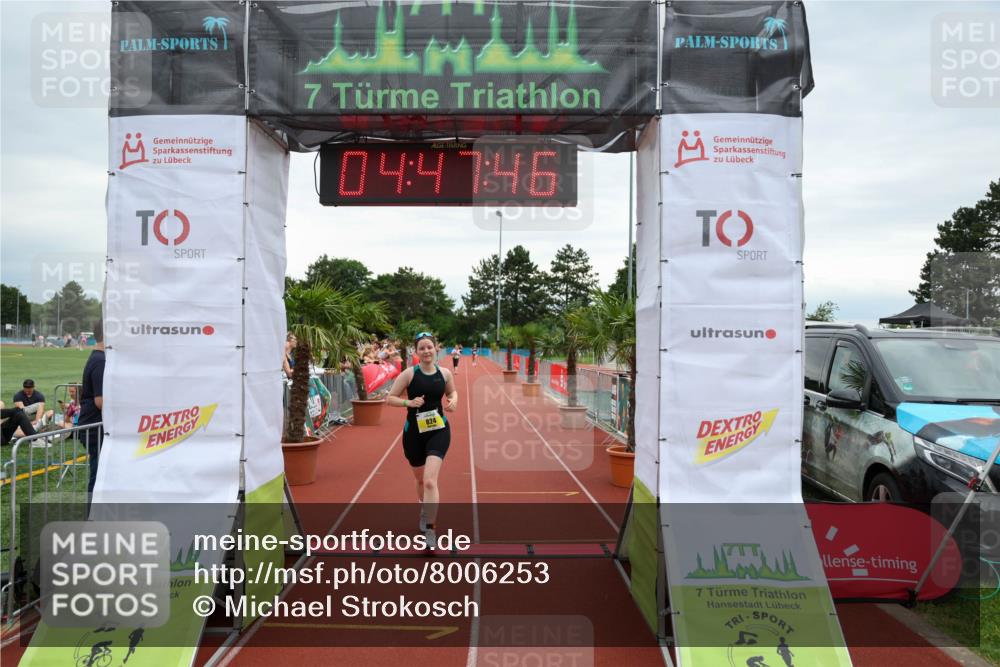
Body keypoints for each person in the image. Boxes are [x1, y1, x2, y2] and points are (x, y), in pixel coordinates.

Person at [386, 332, 458, 549]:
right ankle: (424, 509)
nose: (426, 351)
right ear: (416, 352)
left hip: (439, 430)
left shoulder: (445, 373)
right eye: (422, 348)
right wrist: (408, 403)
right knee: (419, 481)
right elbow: (390, 398)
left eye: (429, 347)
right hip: (414, 434)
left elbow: (453, 392)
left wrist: (454, 400)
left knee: (429, 481)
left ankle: (431, 529)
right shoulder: (409, 374)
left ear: (436, 349)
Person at [78, 320, 105, 495]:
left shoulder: (98, 358)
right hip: (95, 428)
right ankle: (92, 516)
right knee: (98, 477)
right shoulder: (101, 361)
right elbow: (100, 402)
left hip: (93, 427)